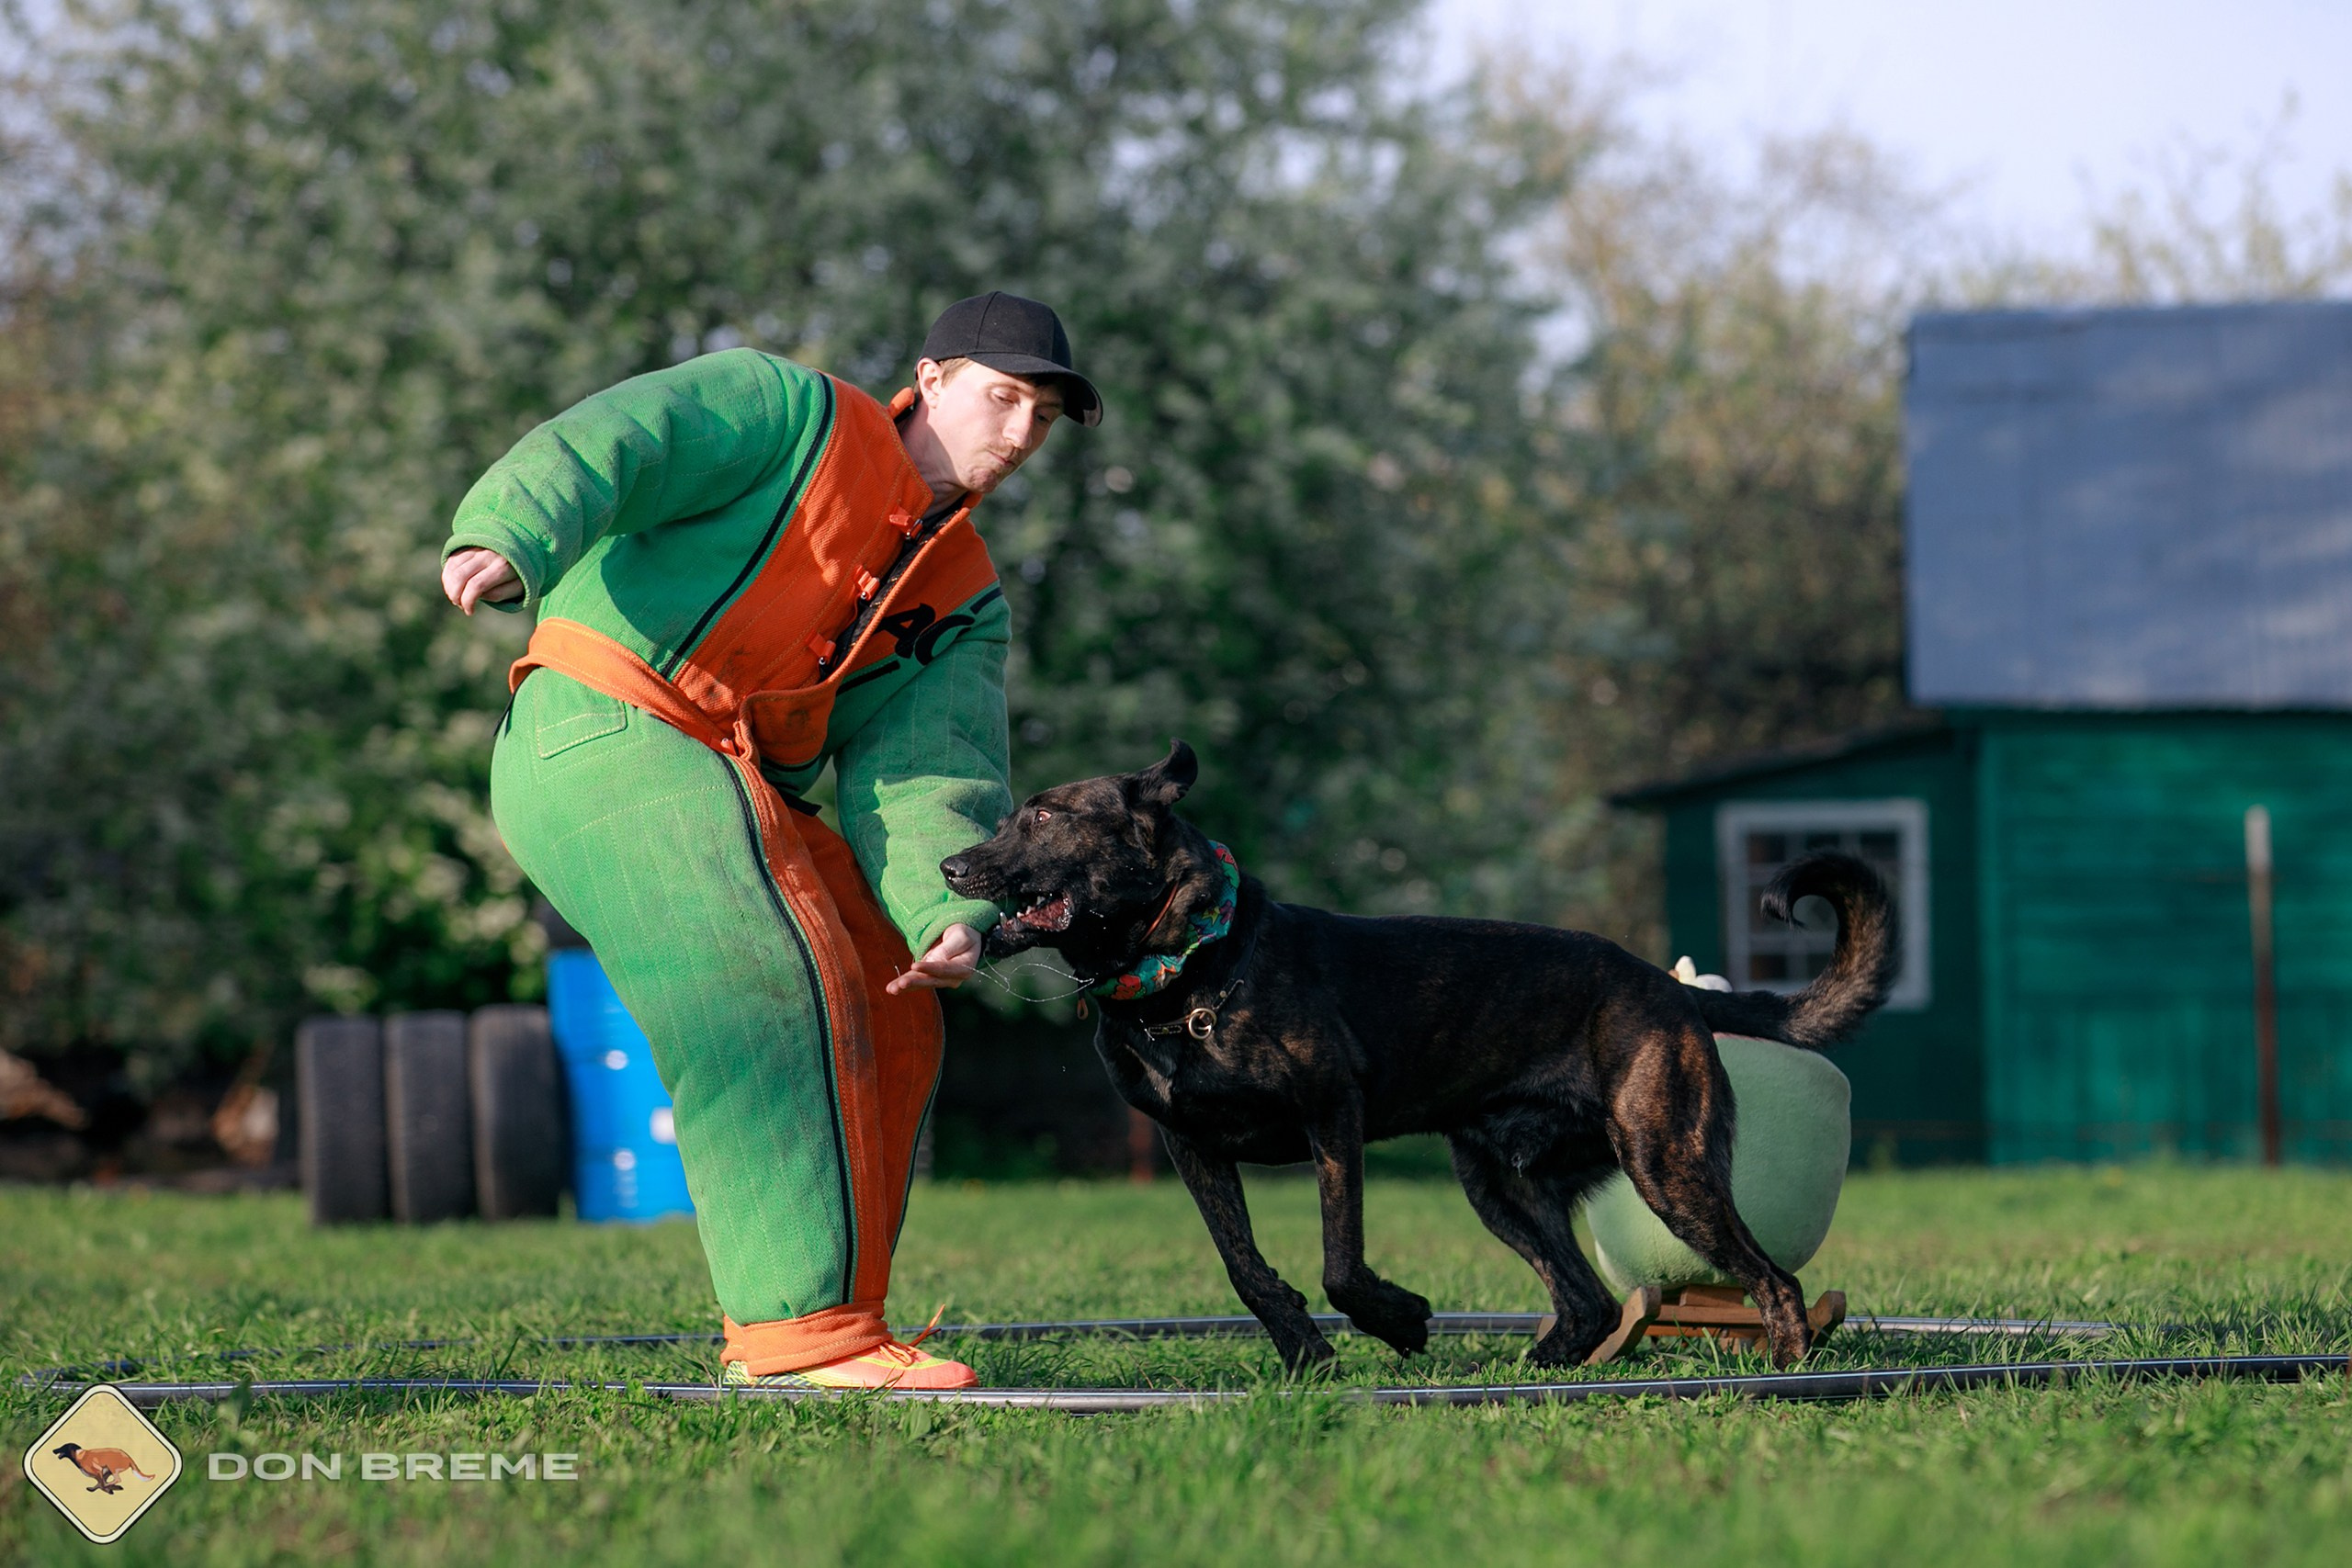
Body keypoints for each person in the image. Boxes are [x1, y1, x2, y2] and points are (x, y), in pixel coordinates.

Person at [439, 293, 1100, 1389]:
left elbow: (928, 773)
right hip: (605, 719)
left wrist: (948, 911)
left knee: (895, 1007)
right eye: (1005, 398)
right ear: (931, 379)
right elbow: (624, 440)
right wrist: (512, 528)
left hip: (746, 787)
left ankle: (852, 1324)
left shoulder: (964, 593)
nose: (1021, 433)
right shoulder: (787, 411)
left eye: (1043, 416)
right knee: (766, 973)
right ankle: (797, 1343)